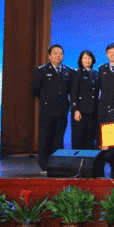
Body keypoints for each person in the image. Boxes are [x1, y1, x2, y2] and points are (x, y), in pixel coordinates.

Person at [31, 44, 73, 174]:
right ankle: (45, 166)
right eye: (55, 53)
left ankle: (57, 165)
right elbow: (35, 90)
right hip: (47, 112)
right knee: (46, 139)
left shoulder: (68, 71)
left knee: (58, 140)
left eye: (60, 53)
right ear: (49, 56)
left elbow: (70, 91)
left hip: (62, 111)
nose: (58, 56)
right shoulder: (41, 70)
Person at [70, 50, 99, 150]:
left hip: (93, 111)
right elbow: (73, 93)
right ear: (81, 60)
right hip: (80, 111)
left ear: (93, 60)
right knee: (78, 138)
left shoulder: (96, 74)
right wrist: (75, 110)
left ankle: (88, 160)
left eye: (89, 58)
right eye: (85, 58)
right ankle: (77, 160)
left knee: (90, 138)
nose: (87, 60)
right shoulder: (76, 73)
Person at [98, 43, 114, 124]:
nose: (112, 54)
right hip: (104, 108)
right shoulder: (101, 69)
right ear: (107, 54)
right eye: (110, 52)